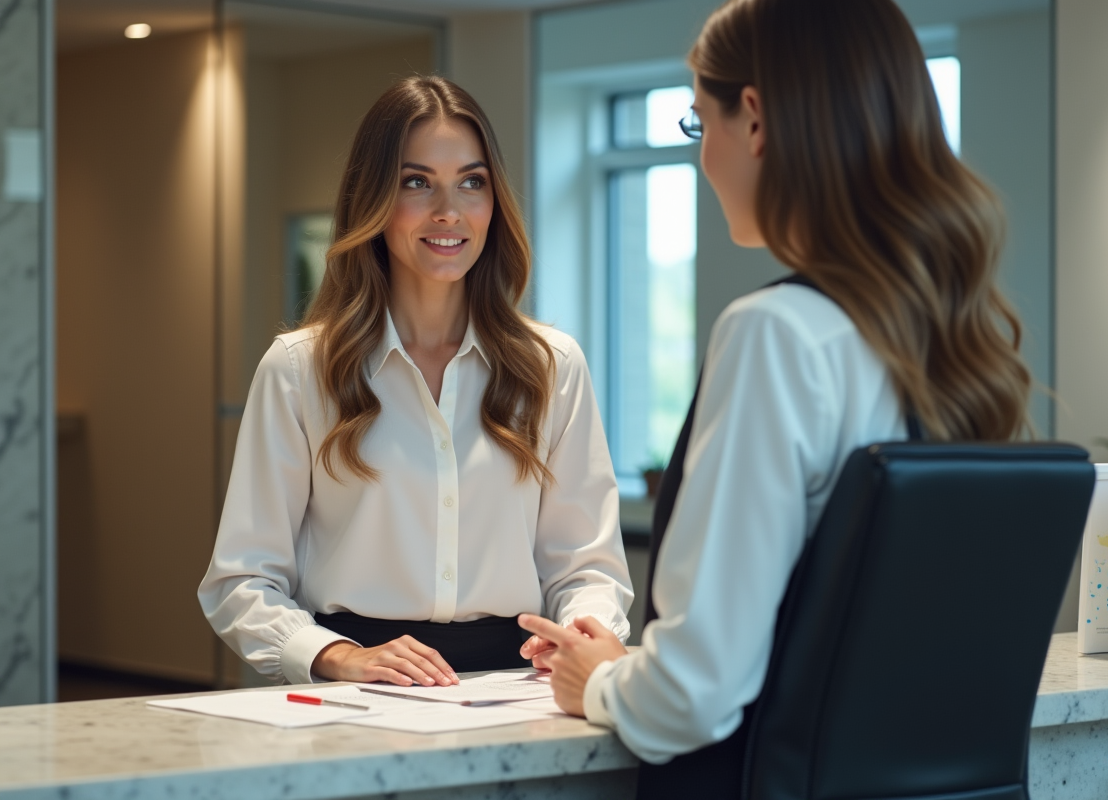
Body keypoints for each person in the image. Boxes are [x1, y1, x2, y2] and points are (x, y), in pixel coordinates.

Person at [517, 0, 1032, 792]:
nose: (702, 159)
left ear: (753, 119)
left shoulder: (778, 335)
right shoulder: (959, 343)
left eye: (698, 125)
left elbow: (694, 698)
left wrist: (602, 681)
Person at [200, 76, 633, 688]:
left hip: (519, 693)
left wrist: (584, 633)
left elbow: (587, 568)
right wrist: (336, 654)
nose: (448, 211)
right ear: (372, 199)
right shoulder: (299, 370)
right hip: (358, 693)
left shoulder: (552, 366)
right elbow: (240, 580)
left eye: (472, 183)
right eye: (416, 182)